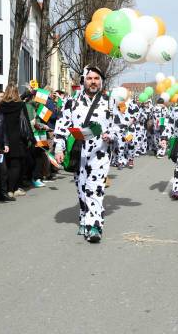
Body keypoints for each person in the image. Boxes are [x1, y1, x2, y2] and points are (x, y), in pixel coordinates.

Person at [54, 66, 118, 243]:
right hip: (78, 154)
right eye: (90, 78)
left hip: (100, 155)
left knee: (95, 189)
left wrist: (110, 135)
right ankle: (84, 218)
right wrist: (59, 149)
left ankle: (95, 226)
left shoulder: (109, 101)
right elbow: (61, 127)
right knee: (82, 190)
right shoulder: (71, 102)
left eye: (97, 78)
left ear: (101, 81)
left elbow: (117, 126)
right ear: (83, 80)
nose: (93, 82)